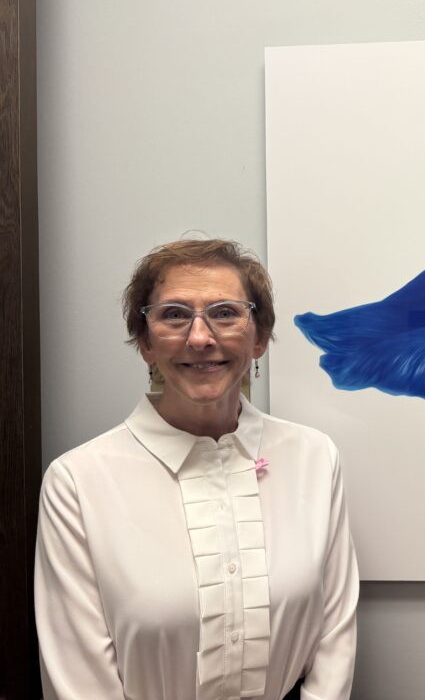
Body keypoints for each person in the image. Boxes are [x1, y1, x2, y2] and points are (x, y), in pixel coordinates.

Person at [35, 239, 359, 700]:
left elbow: (335, 637)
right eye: (174, 315)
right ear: (145, 341)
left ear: (260, 337)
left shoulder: (314, 457)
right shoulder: (77, 482)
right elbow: (78, 677)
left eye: (225, 313)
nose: (201, 337)